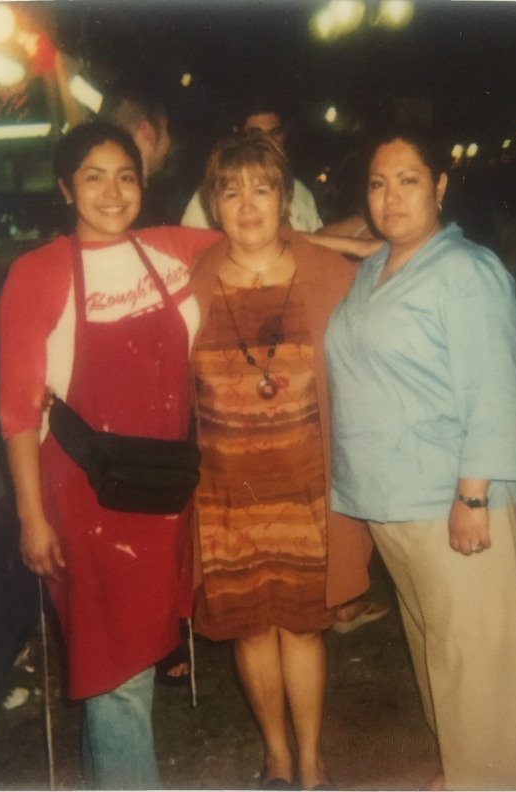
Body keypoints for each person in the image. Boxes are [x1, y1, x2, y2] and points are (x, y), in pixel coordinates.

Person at [324, 128, 516, 790]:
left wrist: (473, 496)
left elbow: (495, 388)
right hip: (393, 498)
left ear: (439, 186)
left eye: (408, 180)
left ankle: (491, 777)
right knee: (441, 645)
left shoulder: (466, 270)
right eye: (378, 183)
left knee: (477, 651)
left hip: (451, 497)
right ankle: (469, 766)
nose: (391, 196)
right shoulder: (376, 267)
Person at [0, 121, 221, 788]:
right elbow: (16, 406)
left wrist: (379, 242)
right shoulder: (36, 272)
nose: (112, 190)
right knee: (116, 669)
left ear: (143, 182)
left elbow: (264, 237)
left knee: (125, 664)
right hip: (85, 496)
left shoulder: (172, 249)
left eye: (125, 174)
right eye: (93, 176)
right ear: (66, 187)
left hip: (162, 489)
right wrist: (30, 518)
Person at [189, 132, 373, 790]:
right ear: (212, 204)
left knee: (301, 629)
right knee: (249, 631)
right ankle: (278, 755)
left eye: (261, 189)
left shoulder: (326, 273)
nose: (246, 204)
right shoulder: (194, 280)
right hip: (225, 496)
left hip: (306, 490)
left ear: (284, 199)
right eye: (230, 190)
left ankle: (314, 759)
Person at [181, 99, 323, 233]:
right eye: (256, 134)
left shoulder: (302, 193)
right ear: (238, 133)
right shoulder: (210, 195)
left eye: (275, 133)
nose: (267, 141)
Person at [99, 88, 175, 227]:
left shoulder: (100, 204)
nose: (169, 140)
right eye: (166, 129)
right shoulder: (152, 214)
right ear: (147, 132)